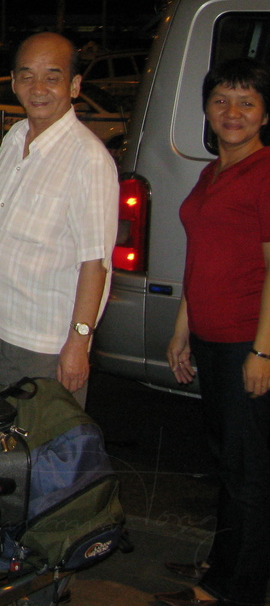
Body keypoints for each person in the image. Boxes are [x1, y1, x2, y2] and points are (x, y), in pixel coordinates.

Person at [161, 57, 270, 606]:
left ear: (265, 114)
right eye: (222, 100)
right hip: (211, 337)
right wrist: (182, 331)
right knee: (229, 461)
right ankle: (224, 561)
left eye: (247, 102)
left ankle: (234, 589)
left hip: (245, 341)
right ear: (206, 108)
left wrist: (262, 352)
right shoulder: (213, 173)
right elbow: (200, 259)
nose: (232, 112)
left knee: (248, 471)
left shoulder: (266, 173)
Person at [0, 32, 117, 407]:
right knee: (5, 437)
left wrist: (79, 343)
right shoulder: (14, 137)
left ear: (74, 85)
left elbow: (96, 262)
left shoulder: (88, 159)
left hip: (46, 347)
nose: (38, 88)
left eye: (52, 77)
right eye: (27, 76)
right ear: (13, 82)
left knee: (48, 440)